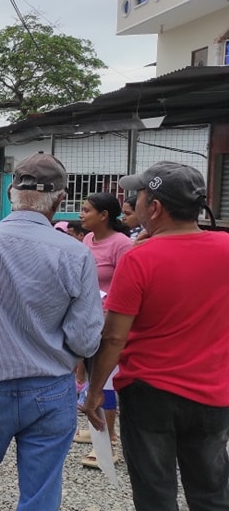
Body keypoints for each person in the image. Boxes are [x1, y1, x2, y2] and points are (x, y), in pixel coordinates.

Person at [0, 153, 103, 511]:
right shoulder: (76, 254)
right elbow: (86, 339)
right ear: (59, 199)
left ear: (11, 192)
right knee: (40, 493)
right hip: (50, 388)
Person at [82, 162, 229, 510]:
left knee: (155, 495)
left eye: (140, 195)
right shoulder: (225, 247)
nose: (135, 202)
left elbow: (114, 338)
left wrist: (94, 391)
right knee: (212, 494)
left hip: (150, 392)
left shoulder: (139, 259)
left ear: (156, 207)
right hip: (213, 390)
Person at [74, 192, 132, 461]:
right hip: (90, 319)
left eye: (87, 210)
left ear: (104, 215)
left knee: (106, 381)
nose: (81, 215)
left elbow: (127, 286)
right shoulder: (88, 239)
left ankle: (108, 441)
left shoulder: (122, 244)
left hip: (110, 323)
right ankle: (97, 429)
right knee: (92, 377)